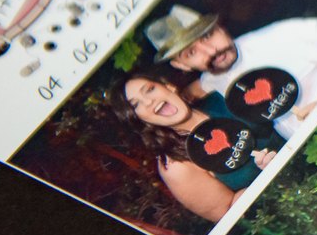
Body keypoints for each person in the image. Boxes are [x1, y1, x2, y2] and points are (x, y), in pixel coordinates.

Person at [145, 5, 317, 140]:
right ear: (182, 66)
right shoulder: (211, 80)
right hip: (314, 153)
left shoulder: (281, 36)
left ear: (220, 27)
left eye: (208, 36)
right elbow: (194, 91)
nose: (211, 51)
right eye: (191, 53)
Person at [110, 70, 283, 222]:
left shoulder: (216, 94)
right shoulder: (176, 165)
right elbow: (232, 217)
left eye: (149, 89)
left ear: (169, 86)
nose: (148, 101)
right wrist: (267, 176)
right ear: (140, 120)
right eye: (136, 104)